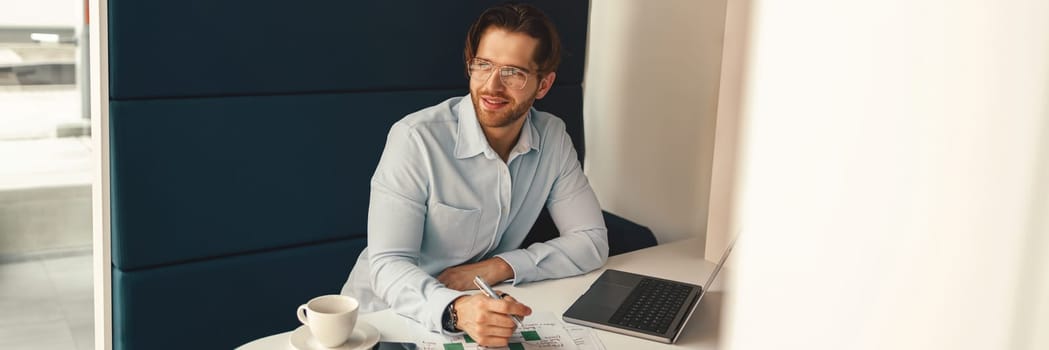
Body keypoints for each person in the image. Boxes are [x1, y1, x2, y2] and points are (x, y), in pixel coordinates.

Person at [340, 3, 608, 347]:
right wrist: (457, 309)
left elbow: (591, 240)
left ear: (543, 85)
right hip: (383, 322)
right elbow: (388, 265)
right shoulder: (416, 138)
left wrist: (498, 267)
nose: (492, 85)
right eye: (483, 65)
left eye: (513, 72)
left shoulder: (552, 137)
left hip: (479, 313)